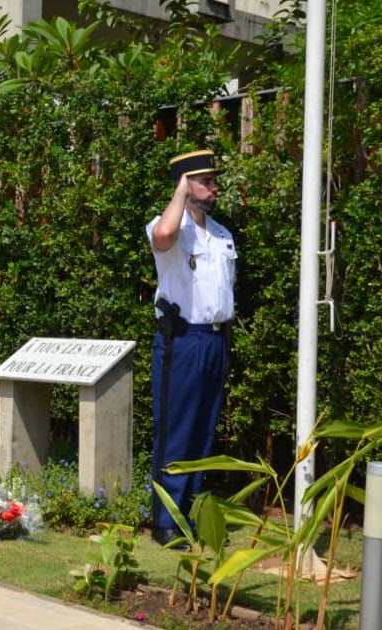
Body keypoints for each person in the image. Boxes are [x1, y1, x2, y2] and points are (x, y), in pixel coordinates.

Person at [146, 149, 236, 548]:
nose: (214, 188)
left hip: (215, 339)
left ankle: (190, 515)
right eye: (205, 181)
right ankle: (165, 520)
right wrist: (181, 193)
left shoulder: (220, 234)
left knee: (203, 431)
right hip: (182, 339)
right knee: (176, 431)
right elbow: (163, 237)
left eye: (213, 181)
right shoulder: (169, 226)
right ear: (185, 184)